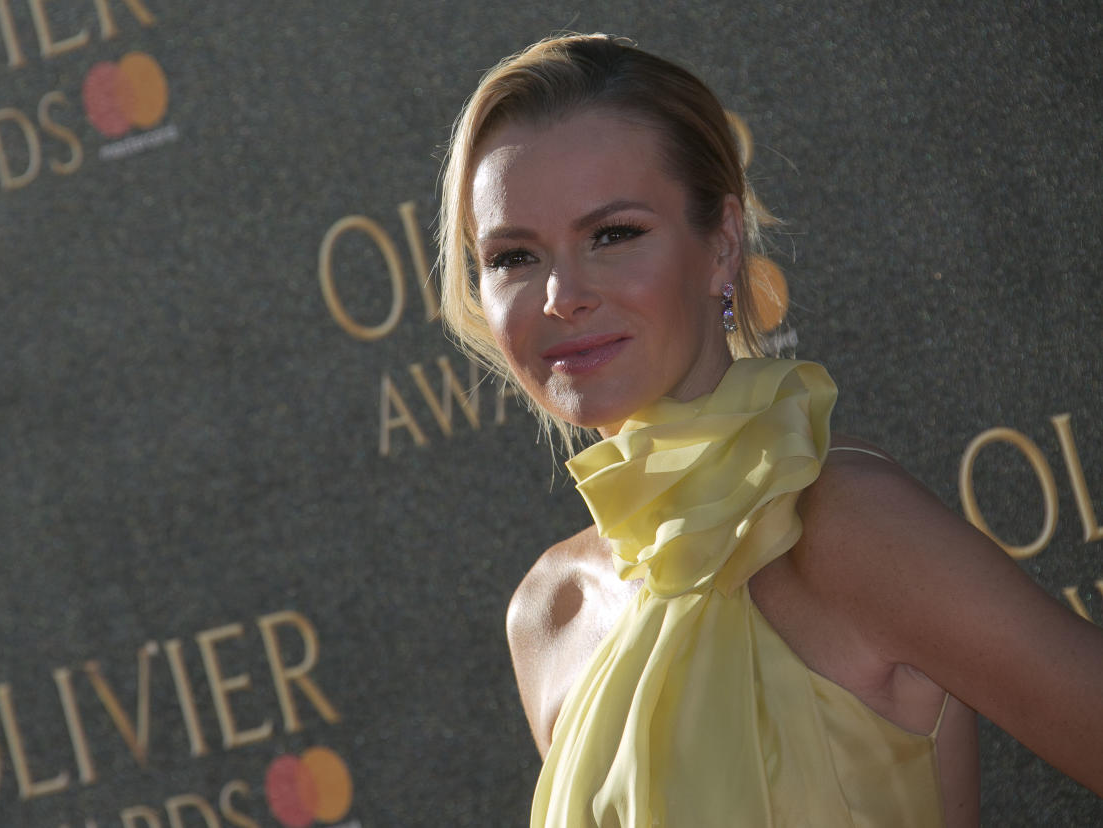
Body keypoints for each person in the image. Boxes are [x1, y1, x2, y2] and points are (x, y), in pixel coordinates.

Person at [436, 33, 1103, 828]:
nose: (561, 294)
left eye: (613, 234)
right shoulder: (551, 614)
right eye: (514, 255)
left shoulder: (839, 524)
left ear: (721, 247)